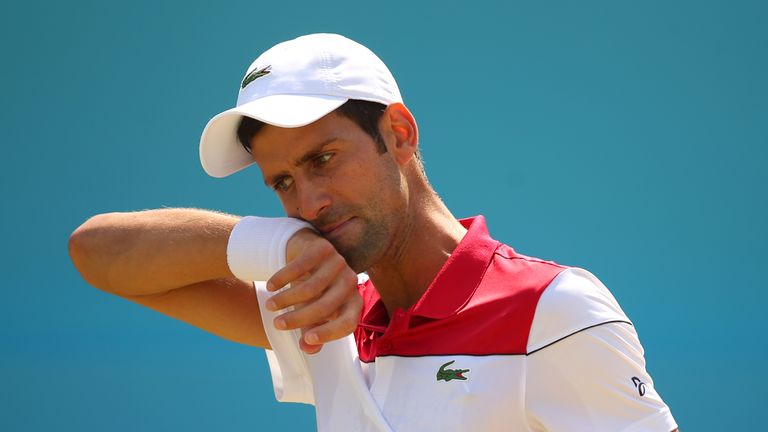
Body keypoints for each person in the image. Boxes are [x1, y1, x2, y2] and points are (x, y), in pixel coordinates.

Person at [69, 33, 678, 431]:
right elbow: (96, 252)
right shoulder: (327, 309)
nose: (307, 202)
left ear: (400, 134)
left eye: (323, 159)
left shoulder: (556, 310)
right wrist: (282, 243)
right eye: (281, 182)